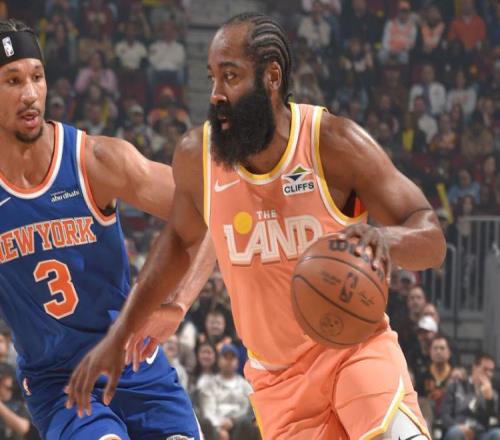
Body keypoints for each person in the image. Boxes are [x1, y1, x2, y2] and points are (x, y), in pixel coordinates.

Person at [67, 12, 446, 439]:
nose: (216, 94)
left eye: (230, 76)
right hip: (278, 381)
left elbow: (431, 237)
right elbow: (179, 241)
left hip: (355, 350)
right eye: (212, 77)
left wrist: (382, 239)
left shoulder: (332, 143)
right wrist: (125, 330)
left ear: (272, 76)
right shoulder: (198, 156)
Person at [0, 18, 213, 440]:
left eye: (37, 77)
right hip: (59, 382)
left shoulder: (94, 161)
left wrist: (179, 303)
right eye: (12, 80)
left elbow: (213, 208)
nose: (30, 94)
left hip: (133, 361)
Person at [441, 353, 500, 440]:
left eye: (491, 371)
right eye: (485, 369)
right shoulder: (455, 386)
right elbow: (445, 414)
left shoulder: (493, 394)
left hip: (482, 434)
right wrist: (456, 426)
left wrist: (489, 400)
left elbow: (493, 422)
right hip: (458, 429)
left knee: (497, 434)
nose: (488, 374)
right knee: (456, 433)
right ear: (474, 367)